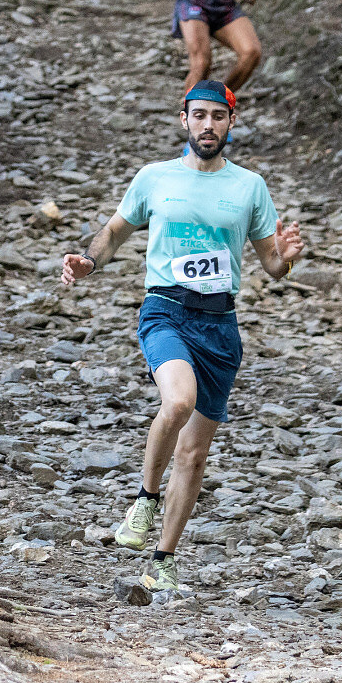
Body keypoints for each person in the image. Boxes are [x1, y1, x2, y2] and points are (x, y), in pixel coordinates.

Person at [60, 80, 303, 592]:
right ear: (184, 119)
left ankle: (163, 562)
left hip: (219, 324)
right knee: (177, 402)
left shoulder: (250, 186)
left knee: (193, 454)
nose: (208, 124)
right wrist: (88, 261)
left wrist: (285, 258)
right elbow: (114, 231)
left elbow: (271, 264)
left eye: (218, 116)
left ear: (231, 122)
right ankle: (146, 499)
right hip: (166, 310)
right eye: (199, 115)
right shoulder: (154, 177)